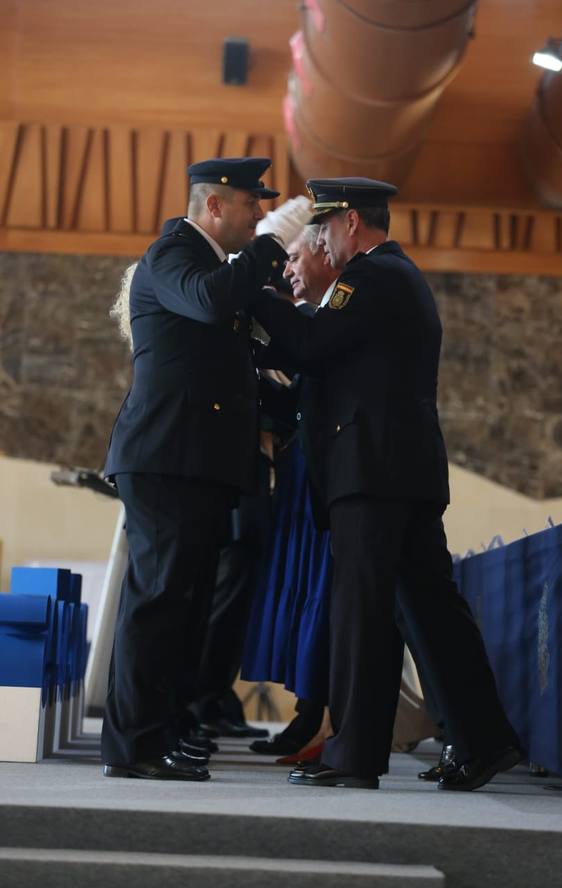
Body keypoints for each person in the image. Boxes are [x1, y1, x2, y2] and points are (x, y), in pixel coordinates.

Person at [250, 177, 521, 791]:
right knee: (428, 612)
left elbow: (312, 345)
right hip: (394, 470)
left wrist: (253, 296)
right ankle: (482, 739)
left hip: (375, 473)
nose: (318, 239)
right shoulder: (386, 279)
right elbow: (325, 373)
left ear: (349, 222)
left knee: (364, 614)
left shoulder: (372, 277)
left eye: (322, 229)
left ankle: (356, 754)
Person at [101, 157, 287, 781]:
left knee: (184, 607)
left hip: (198, 463)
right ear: (213, 206)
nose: (258, 213)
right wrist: (264, 255)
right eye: (249, 203)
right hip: (165, 458)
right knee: (158, 603)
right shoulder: (173, 254)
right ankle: (134, 748)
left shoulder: (209, 265)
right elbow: (209, 306)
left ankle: (166, 731)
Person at [244, 225, 341, 758]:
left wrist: (255, 295)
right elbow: (300, 405)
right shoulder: (316, 316)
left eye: (296, 259)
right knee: (301, 588)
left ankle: (317, 715)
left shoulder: (331, 316)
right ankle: (308, 709)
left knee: (319, 591)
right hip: (303, 470)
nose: (289, 270)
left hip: (324, 477)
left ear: (326, 256)